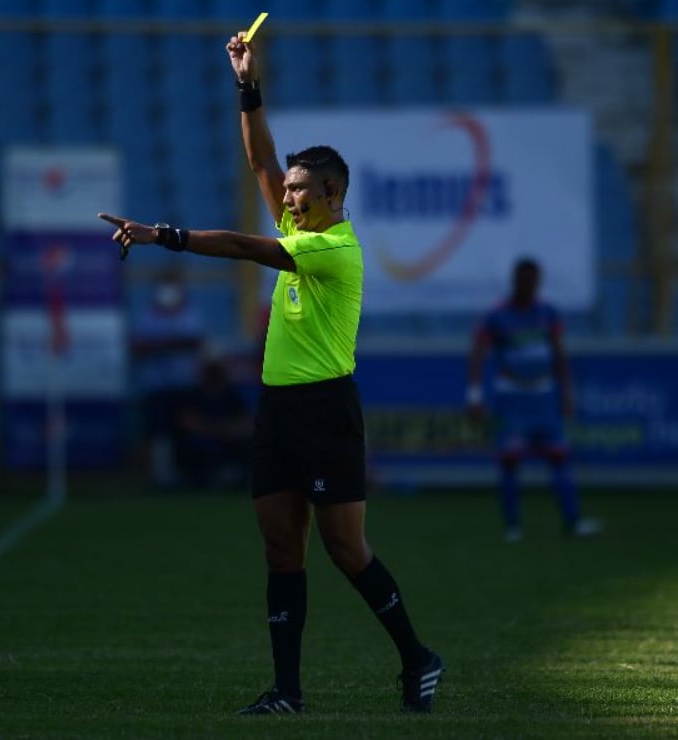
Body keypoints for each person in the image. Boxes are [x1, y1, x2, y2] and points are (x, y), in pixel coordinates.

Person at [97, 31, 444, 715]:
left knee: (346, 550)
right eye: (286, 190)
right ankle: (287, 691)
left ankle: (418, 658)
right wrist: (247, 84)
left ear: (333, 193)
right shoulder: (299, 226)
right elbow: (258, 157)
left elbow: (234, 245)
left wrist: (162, 233)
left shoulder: (333, 250)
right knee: (281, 548)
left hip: (326, 412)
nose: (286, 198)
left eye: (299, 190)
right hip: (277, 410)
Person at [467, 257, 602, 542]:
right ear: (514, 280)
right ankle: (512, 526)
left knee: (559, 458)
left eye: (532, 280)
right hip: (512, 398)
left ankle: (573, 521)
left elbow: (559, 354)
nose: (528, 285)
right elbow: (478, 354)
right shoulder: (497, 315)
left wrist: (566, 393)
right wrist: (475, 395)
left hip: (543, 397)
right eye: (523, 280)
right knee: (510, 462)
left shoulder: (548, 313)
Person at [130, 267, 205, 486]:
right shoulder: (147, 314)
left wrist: (161, 343)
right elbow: (138, 346)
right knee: (156, 431)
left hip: (184, 383)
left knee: (183, 430)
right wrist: (171, 343)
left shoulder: (189, 312)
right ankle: (158, 476)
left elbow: (194, 341)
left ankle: (185, 474)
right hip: (156, 385)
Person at [171, 353, 251, 488]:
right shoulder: (192, 394)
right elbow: (187, 421)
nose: (214, 373)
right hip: (203, 438)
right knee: (197, 444)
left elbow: (245, 420)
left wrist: (229, 430)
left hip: (228, 437)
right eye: (210, 369)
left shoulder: (231, 394)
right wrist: (215, 429)